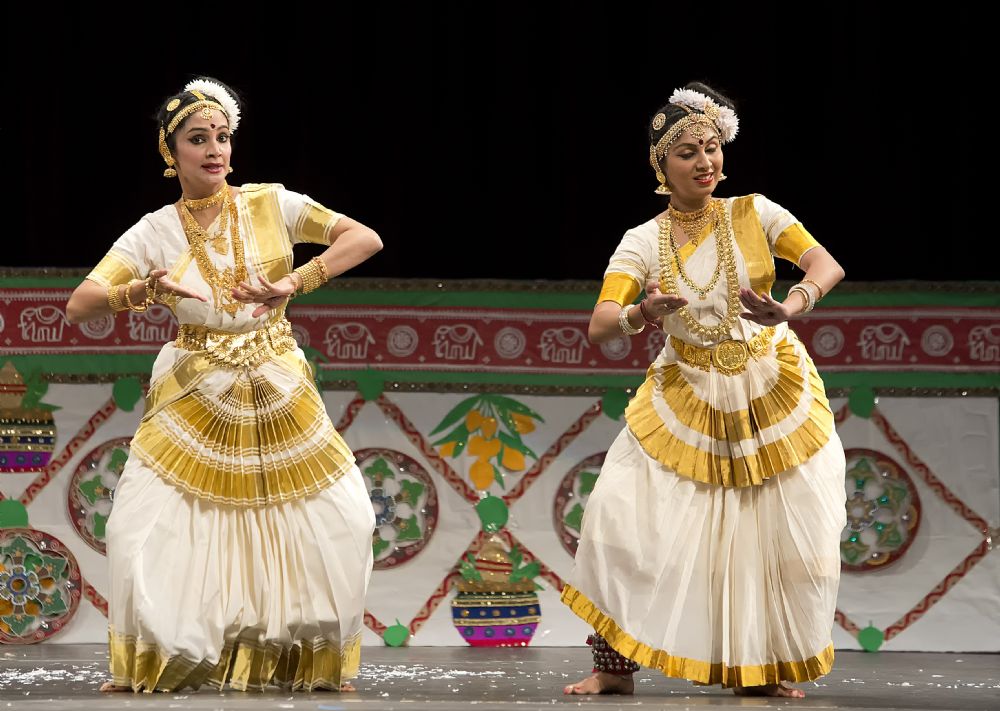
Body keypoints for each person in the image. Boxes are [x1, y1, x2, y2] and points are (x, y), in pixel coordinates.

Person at [66, 77, 381, 693]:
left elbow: (363, 238)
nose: (214, 150)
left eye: (222, 137)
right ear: (170, 151)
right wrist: (145, 289)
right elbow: (81, 304)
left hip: (275, 376)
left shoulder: (273, 204)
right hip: (196, 383)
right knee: (142, 525)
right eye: (197, 139)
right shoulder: (154, 230)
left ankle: (309, 654)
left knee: (337, 516)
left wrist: (295, 281)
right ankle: (162, 653)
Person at [560, 81, 847, 699]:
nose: (704, 162)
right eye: (687, 152)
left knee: (772, 531)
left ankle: (762, 669)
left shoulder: (756, 213)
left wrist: (792, 305)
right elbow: (601, 325)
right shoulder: (642, 240)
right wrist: (644, 313)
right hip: (685, 391)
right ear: (660, 165)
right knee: (617, 518)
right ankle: (612, 667)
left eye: (711, 148)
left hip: (770, 387)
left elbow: (826, 265)